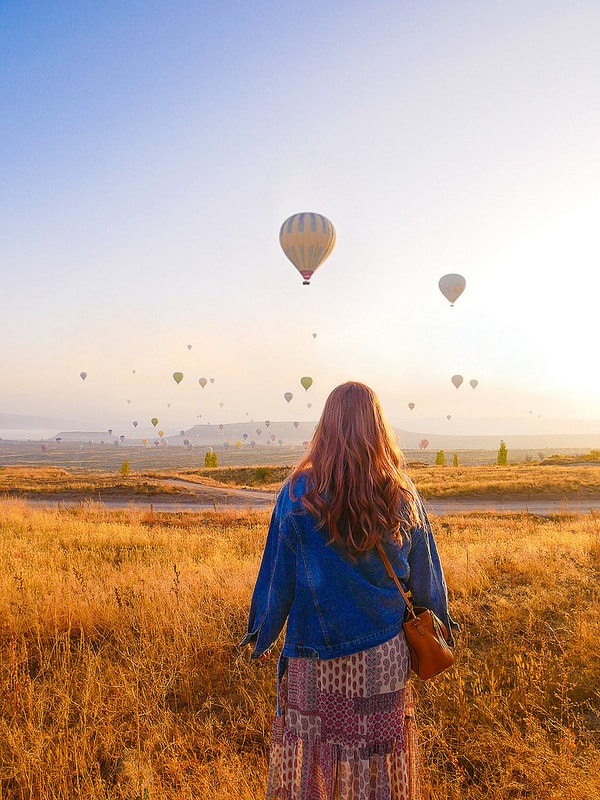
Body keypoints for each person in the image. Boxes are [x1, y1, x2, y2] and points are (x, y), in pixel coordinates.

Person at [241, 381, 458, 800]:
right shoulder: (402, 493)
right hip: (382, 660)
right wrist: (443, 626)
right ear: (379, 428)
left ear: (326, 427)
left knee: (312, 772)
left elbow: (276, 578)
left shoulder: (295, 495)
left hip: (314, 665)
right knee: (376, 770)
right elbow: (427, 576)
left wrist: (261, 634)